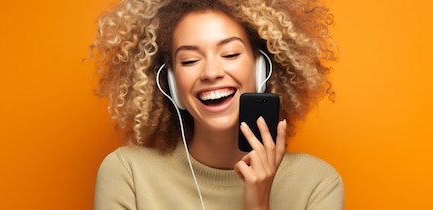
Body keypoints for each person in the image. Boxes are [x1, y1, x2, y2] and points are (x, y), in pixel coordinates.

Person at [90, 0, 343, 209]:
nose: (211, 72)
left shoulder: (317, 185)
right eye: (189, 60)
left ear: (261, 69)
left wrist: (258, 203)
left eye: (230, 54)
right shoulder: (129, 174)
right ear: (171, 82)